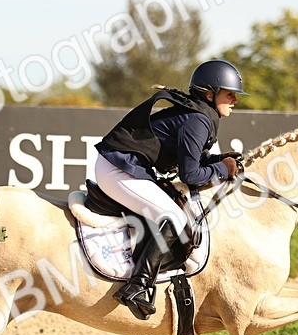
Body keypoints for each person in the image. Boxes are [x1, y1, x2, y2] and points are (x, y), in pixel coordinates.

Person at [93, 59, 245, 320]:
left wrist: (219, 161)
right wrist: (223, 169)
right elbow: (190, 175)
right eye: (229, 94)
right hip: (118, 169)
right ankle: (136, 286)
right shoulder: (197, 119)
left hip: (125, 165)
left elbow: (192, 160)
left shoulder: (199, 114)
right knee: (174, 216)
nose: (235, 100)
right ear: (210, 94)